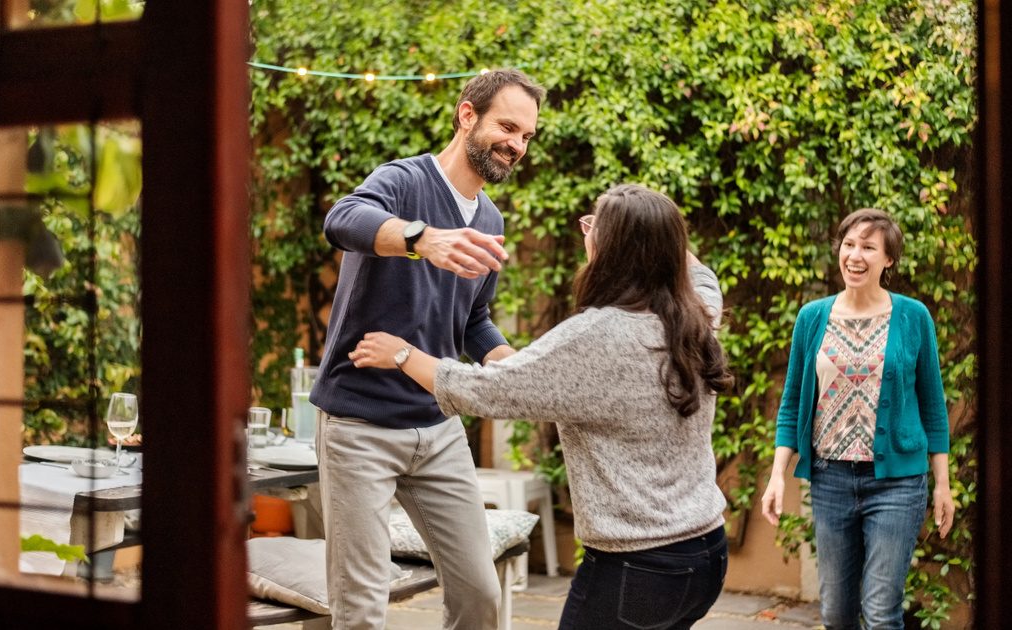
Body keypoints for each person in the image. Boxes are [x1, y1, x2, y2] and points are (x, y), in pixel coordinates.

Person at [349, 183, 734, 629]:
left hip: (637, 569)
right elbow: (703, 276)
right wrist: (661, 235)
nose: (586, 233)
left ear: (615, 250)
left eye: (594, 227)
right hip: (706, 553)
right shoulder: (696, 316)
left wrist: (402, 355)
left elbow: (488, 389)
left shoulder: (596, 336)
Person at [308, 69, 544, 629]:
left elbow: (473, 320)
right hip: (359, 425)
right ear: (467, 116)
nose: (516, 145)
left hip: (437, 428)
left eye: (527, 136)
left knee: (480, 595)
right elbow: (342, 219)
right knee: (362, 611)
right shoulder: (404, 181)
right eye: (507, 127)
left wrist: (510, 363)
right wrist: (421, 239)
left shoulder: (490, 219)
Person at [759, 208, 956, 629]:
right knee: (836, 613)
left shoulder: (912, 316)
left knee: (882, 612)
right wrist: (778, 475)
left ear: (888, 260)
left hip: (897, 485)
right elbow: (792, 402)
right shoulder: (813, 317)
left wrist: (943, 484)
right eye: (849, 244)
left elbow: (933, 407)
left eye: (869, 247)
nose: (856, 255)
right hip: (830, 481)